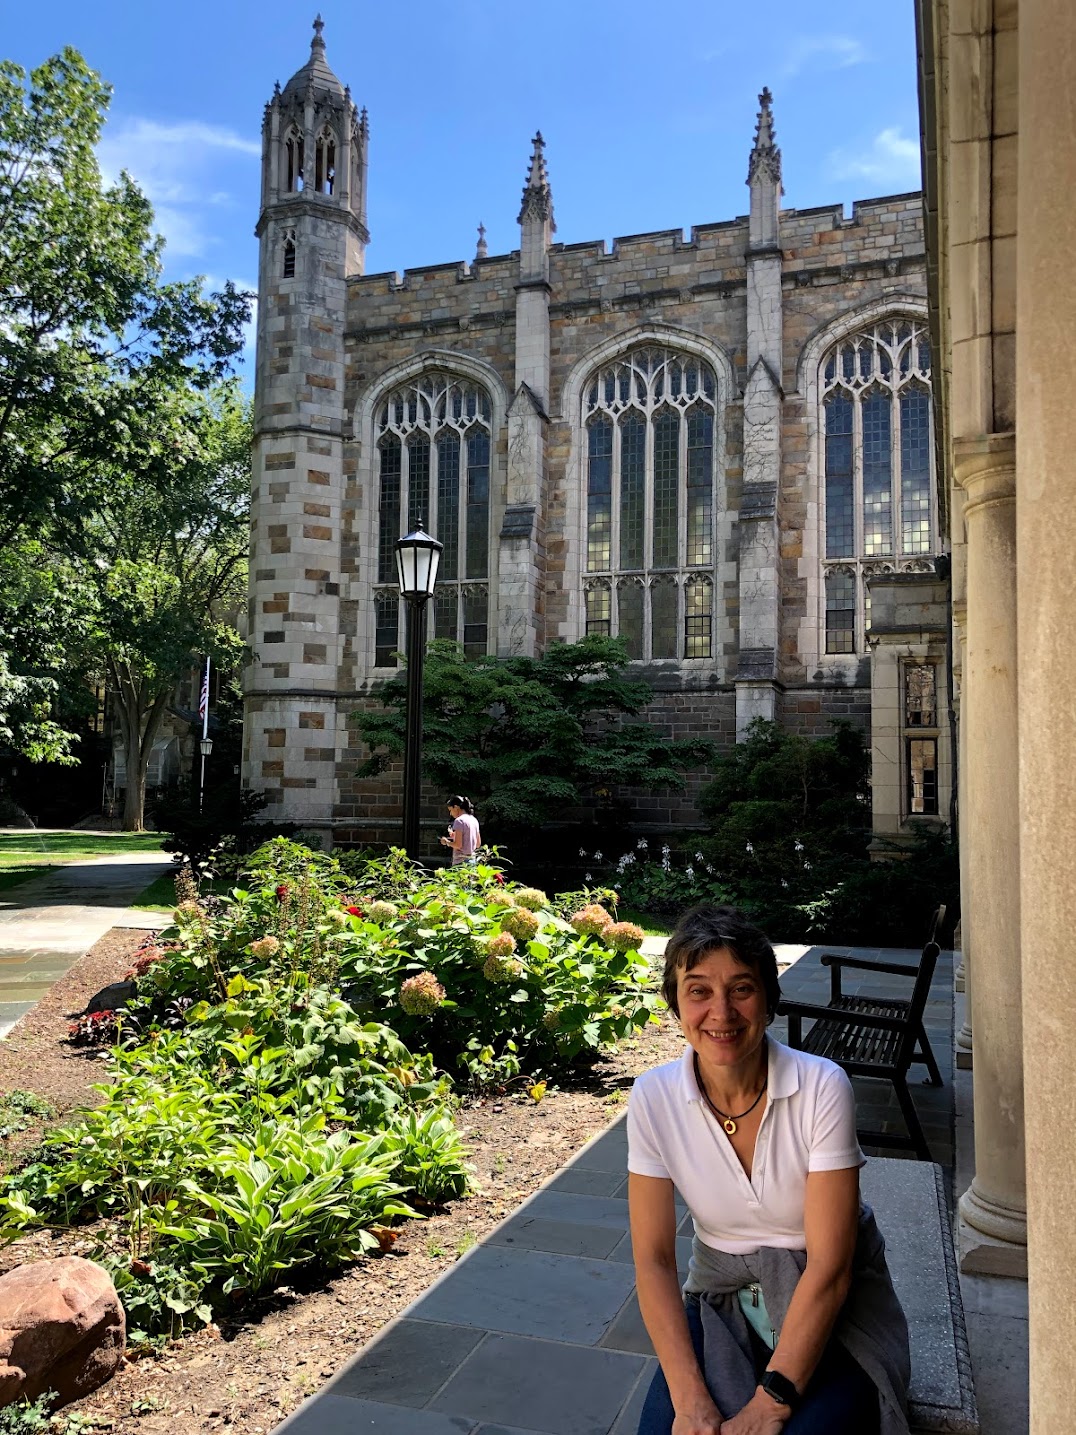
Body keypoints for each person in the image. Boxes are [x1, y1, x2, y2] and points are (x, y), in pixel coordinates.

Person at [628, 905, 911, 1435]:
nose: (721, 1012)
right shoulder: (653, 1097)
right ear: (675, 1002)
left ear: (769, 1000)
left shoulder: (821, 1087)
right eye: (698, 990)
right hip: (722, 1300)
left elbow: (830, 1267)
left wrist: (771, 1401)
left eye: (741, 988)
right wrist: (690, 1400)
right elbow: (655, 1261)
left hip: (830, 1307)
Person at [439, 795, 480, 866]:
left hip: (461, 863)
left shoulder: (459, 821)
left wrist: (446, 842)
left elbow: (458, 845)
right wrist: (455, 836)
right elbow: (478, 844)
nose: (450, 814)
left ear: (456, 807)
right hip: (472, 861)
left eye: (450, 810)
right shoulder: (474, 820)